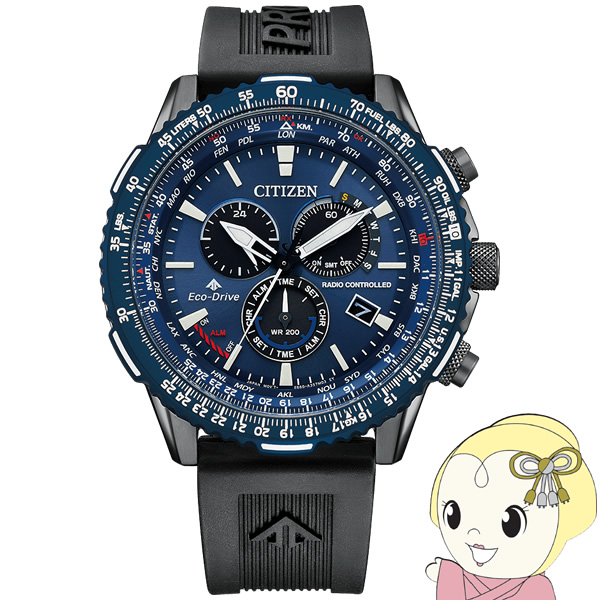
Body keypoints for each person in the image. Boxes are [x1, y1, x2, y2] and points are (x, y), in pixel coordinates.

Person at [427, 415, 596, 599]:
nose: (475, 532)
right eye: (453, 516)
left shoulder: (536, 591)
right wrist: (447, 574)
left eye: (511, 524)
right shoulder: (455, 577)